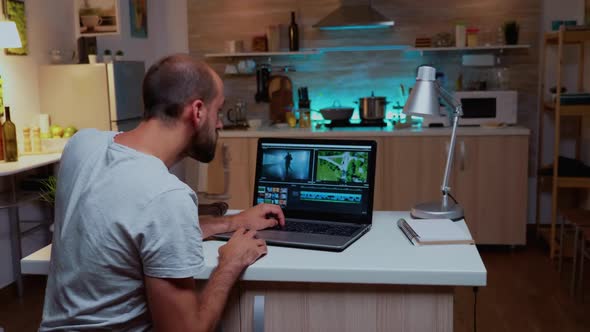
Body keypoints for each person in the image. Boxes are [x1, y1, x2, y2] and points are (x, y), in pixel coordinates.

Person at [40, 54, 285, 331]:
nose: (219, 124)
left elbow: (131, 231)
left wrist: (231, 222)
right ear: (198, 111)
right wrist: (230, 263)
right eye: (218, 112)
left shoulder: (81, 145)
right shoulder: (166, 195)